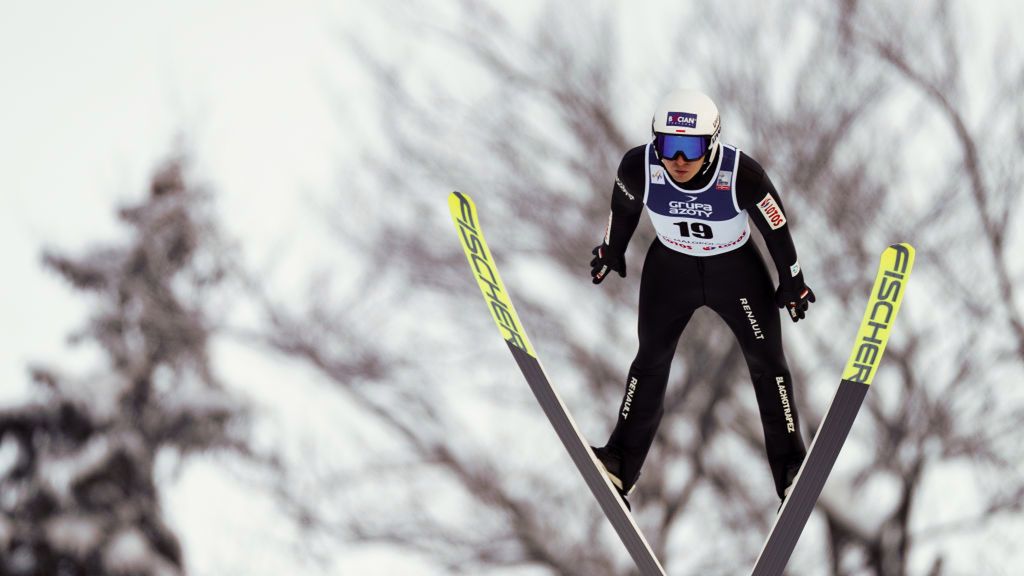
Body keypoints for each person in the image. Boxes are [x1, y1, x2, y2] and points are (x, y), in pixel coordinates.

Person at [589, 89, 814, 510]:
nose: (677, 159)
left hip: (737, 273)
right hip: (670, 270)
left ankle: (790, 470)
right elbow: (623, 210)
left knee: (768, 362)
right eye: (667, 146)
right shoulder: (638, 167)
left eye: (689, 147)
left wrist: (793, 281)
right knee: (650, 360)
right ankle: (619, 463)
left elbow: (777, 230)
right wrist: (611, 249)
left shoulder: (742, 175)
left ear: (712, 143)